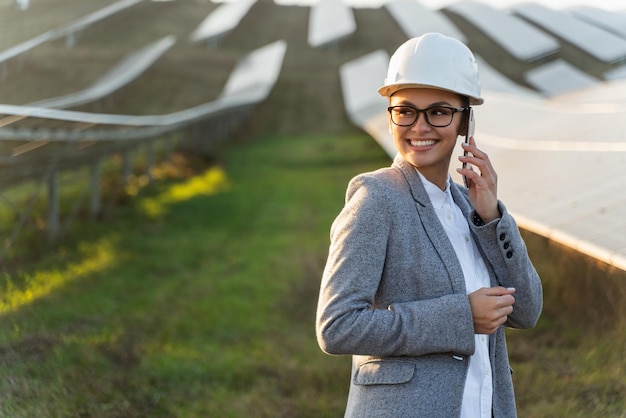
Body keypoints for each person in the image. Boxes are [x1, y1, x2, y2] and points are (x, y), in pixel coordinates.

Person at [315, 32, 543, 417]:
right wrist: (459, 316)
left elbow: (527, 310)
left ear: (464, 121)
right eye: (405, 110)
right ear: (391, 116)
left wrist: (492, 217)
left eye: (438, 111)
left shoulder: (469, 208)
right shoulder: (376, 199)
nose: (419, 127)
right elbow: (337, 326)